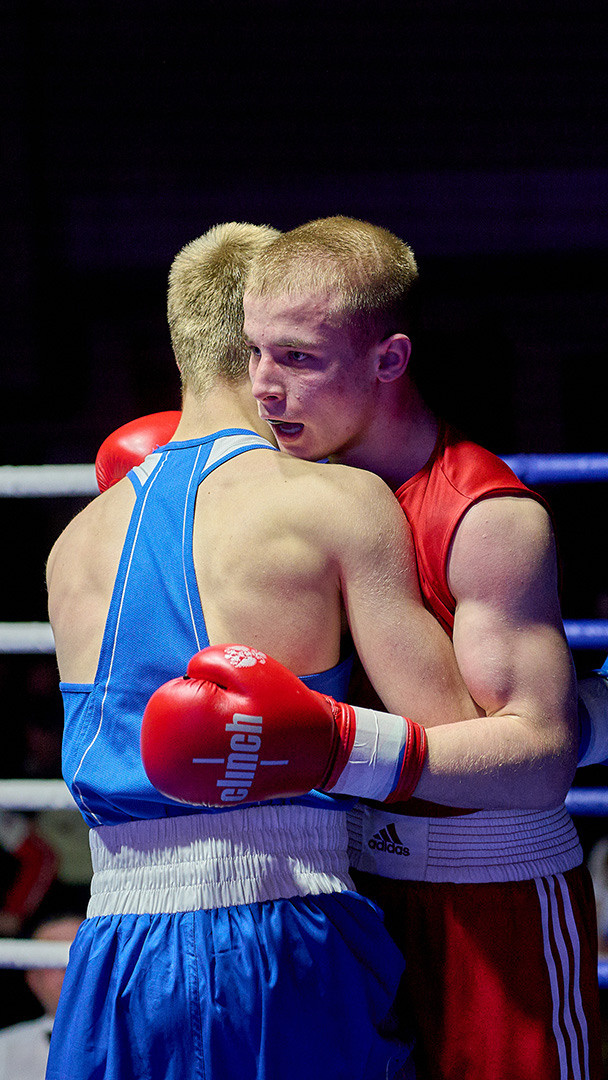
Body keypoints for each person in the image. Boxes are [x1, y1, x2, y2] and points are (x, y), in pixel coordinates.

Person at [45, 222, 483, 1080]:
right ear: (255, 341)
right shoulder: (334, 502)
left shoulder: (71, 545)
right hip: (285, 923)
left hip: (111, 955)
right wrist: (581, 714)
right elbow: (458, 746)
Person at [234, 216, 603, 1080]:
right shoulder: (286, 497)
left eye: (297, 358)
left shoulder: (485, 517)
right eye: (254, 353)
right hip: (348, 895)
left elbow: (541, 756)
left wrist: (334, 747)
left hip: (493, 906)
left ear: (388, 360)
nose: (262, 387)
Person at [0, 913, 82, 1080]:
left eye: (81, 955)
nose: (68, 968)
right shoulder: (4, 1049)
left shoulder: (141, 1042)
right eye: (52, 960)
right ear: (32, 977)